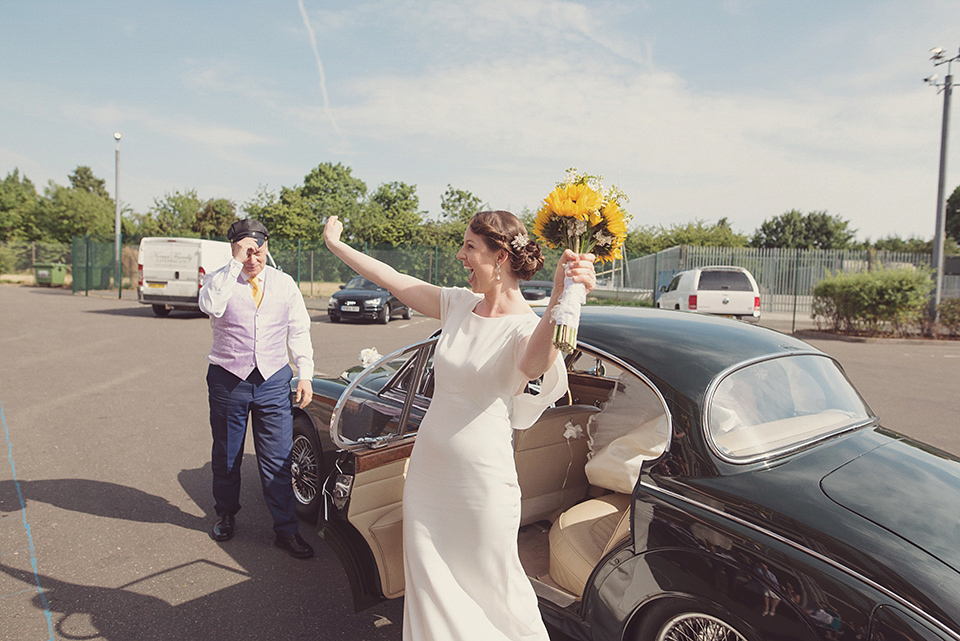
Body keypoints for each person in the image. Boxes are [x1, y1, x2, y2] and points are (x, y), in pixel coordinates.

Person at [323, 210, 597, 640]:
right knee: (430, 588)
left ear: (501, 256)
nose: (460, 254)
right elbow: (392, 277)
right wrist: (337, 246)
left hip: (481, 485)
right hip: (428, 479)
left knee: (494, 594)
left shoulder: (527, 328)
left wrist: (564, 297)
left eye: (470, 246)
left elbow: (534, 363)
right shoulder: (456, 305)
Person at [199, 218, 315, 559]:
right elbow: (211, 306)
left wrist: (305, 373)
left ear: (267, 247)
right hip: (227, 378)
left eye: (258, 250)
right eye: (246, 251)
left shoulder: (284, 283)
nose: (253, 258)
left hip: (273, 380)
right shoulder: (218, 280)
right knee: (227, 454)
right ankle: (226, 513)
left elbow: (299, 329)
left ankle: (285, 529)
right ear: (235, 249)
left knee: (278, 458)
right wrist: (234, 263)